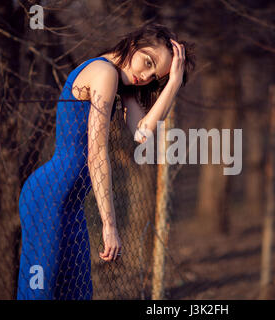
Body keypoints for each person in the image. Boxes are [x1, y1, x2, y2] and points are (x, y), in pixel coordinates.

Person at [17, 23, 195, 300]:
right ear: (134, 43)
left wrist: (172, 83)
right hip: (47, 199)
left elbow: (142, 133)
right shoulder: (104, 73)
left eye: (154, 76)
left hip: (70, 204)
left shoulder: (121, 83)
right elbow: (96, 152)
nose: (146, 76)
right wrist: (109, 226)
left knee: (76, 294)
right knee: (39, 293)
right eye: (147, 62)